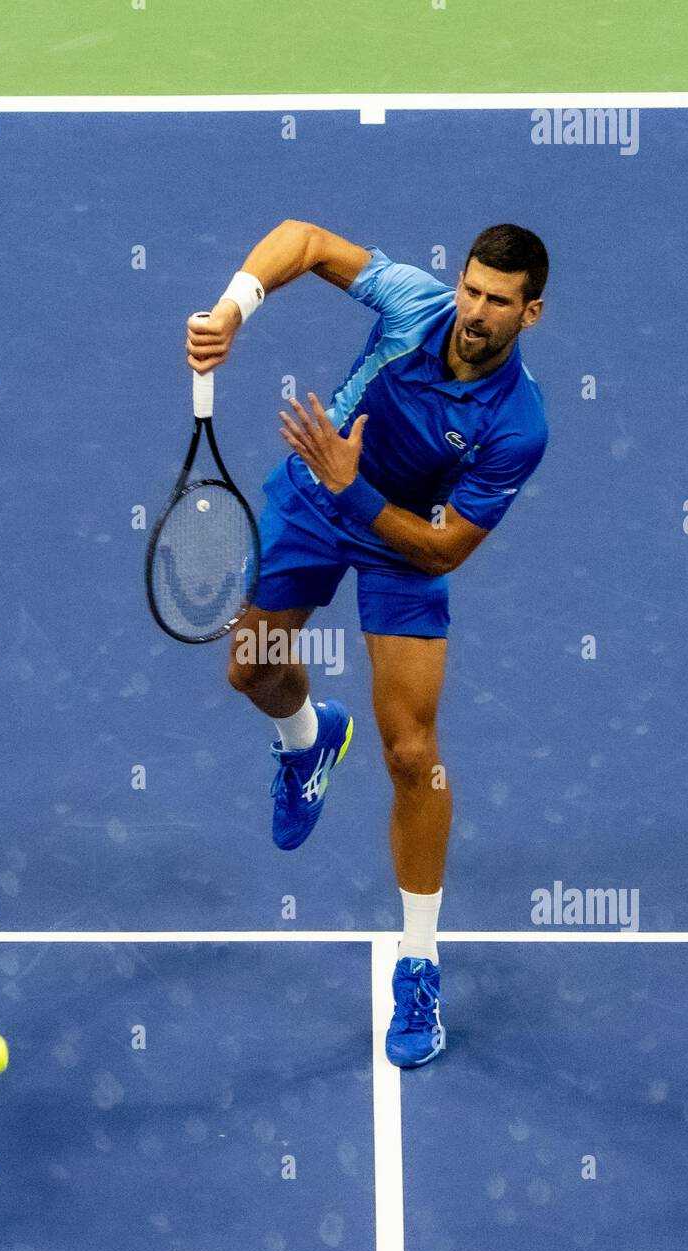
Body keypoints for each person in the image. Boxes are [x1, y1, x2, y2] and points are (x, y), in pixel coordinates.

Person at [185, 220, 549, 1067]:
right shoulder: (411, 305)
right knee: (251, 672)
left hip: (402, 540)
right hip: (314, 497)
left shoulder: (518, 426)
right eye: (470, 289)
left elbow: (446, 549)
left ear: (531, 313)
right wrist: (233, 310)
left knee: (413, 752)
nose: (475, 311)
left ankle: (418, 964)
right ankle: (309, 742)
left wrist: (357, 492)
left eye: (498, 302)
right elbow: (305, 242)